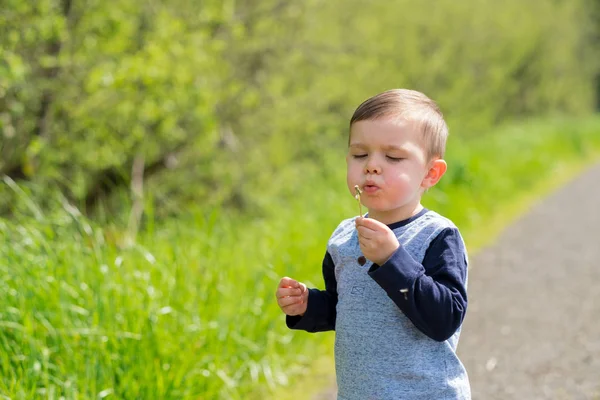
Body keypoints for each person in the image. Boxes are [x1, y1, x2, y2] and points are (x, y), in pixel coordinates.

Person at [275, 89, 471, 399]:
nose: (372, 166)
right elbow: (345, 308)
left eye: (392, 156)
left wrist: (392, 260)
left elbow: (444, 319)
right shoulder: (344, 237)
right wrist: (307, 305)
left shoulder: (436, 235)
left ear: (430, 173)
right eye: (360, 154)